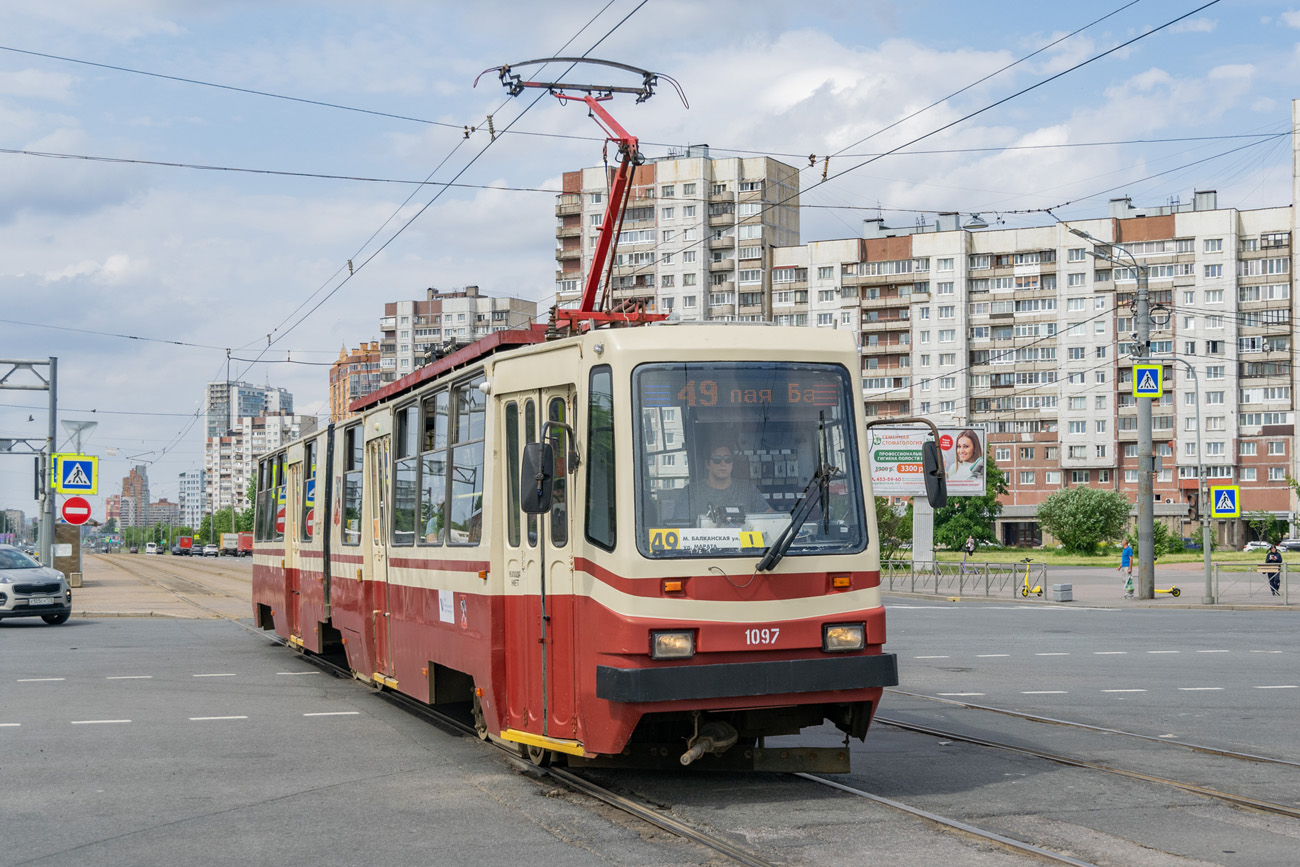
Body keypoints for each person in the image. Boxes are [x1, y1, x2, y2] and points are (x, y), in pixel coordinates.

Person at [670, 443, 772, 525]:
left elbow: (772, 518)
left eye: (728, 459)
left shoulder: (748, 489)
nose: (723, 464)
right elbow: (679, 527)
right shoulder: (691, 493)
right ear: (707, 464)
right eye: (717, 459)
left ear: (732, 463)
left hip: (749, 549)